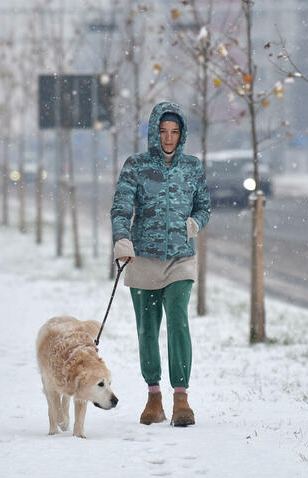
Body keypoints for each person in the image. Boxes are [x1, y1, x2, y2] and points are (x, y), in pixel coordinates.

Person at [110, 101, 211, 427]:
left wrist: (195, 223)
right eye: (163, 131)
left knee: (179, 320)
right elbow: (121, 207)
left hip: (181, 258)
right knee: (147, 329)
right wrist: (122, 240)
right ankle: (154, 396)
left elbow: (204, 206)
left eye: (175, 131)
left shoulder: (192, 167)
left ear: (182, 134)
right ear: (155, 132)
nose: (169, 138)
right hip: (144, 258)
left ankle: (181, 397)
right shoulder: (136, 166)